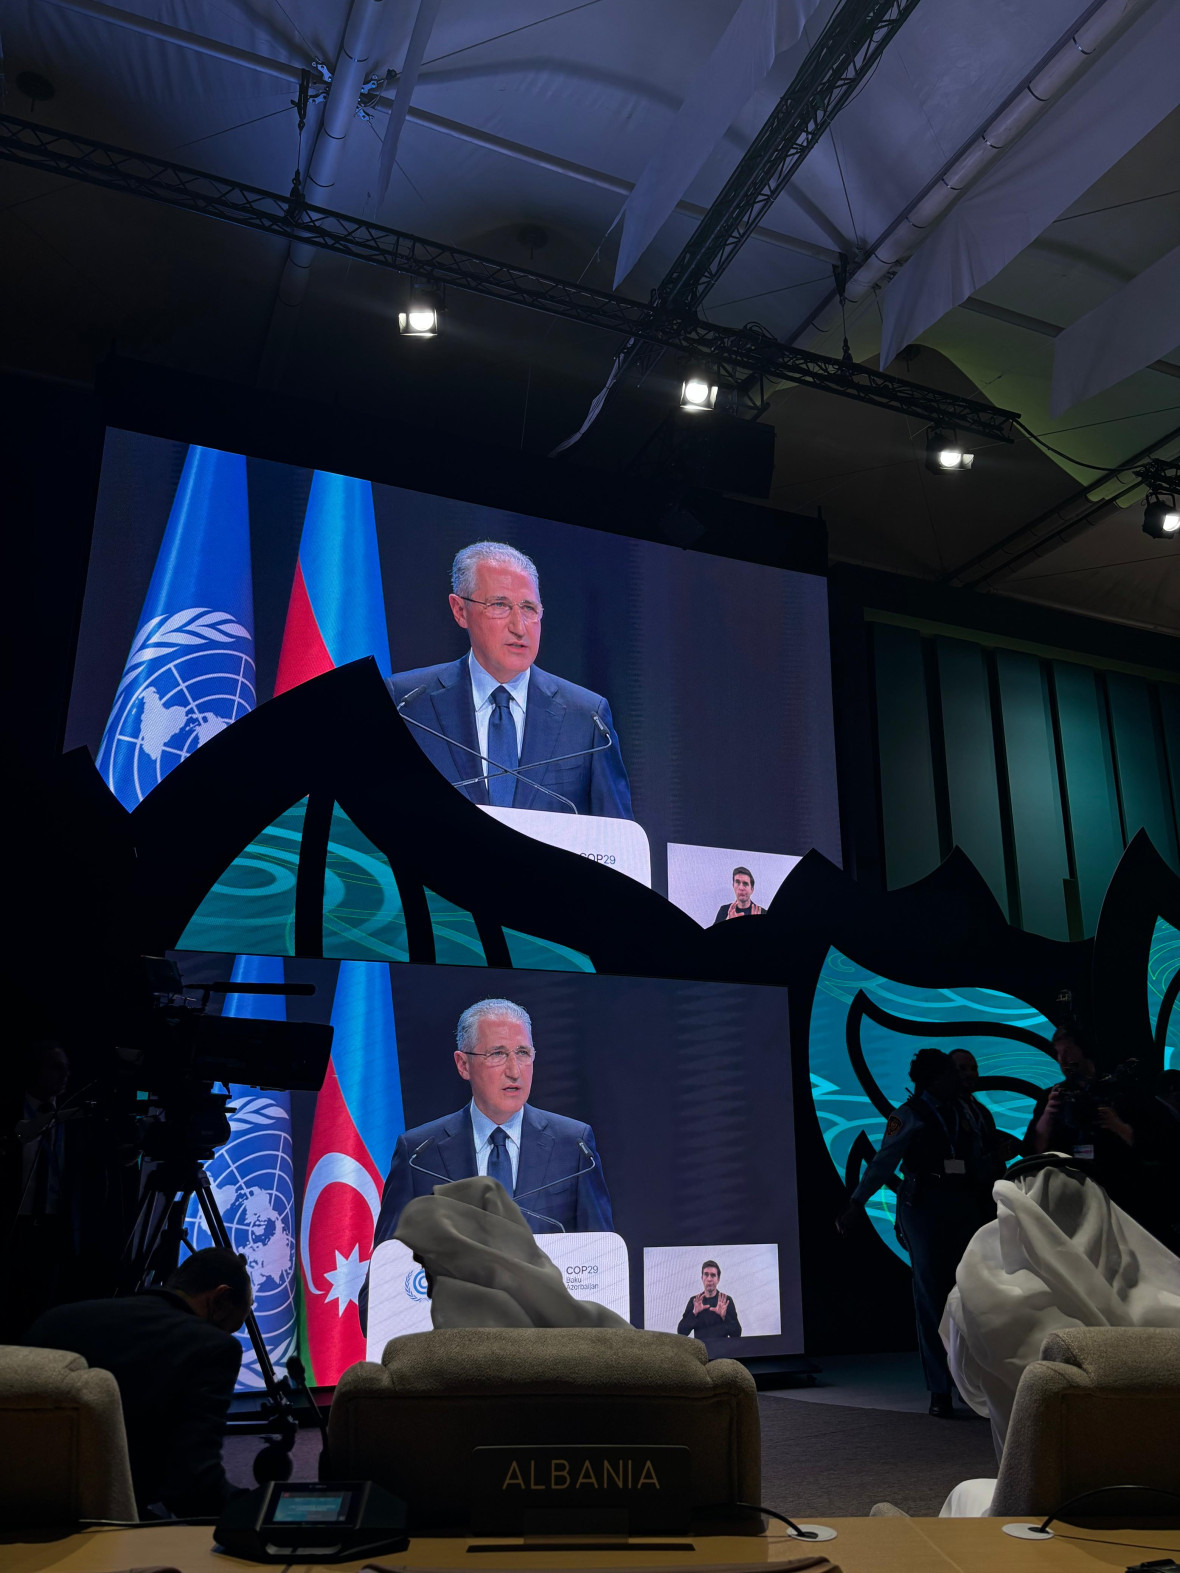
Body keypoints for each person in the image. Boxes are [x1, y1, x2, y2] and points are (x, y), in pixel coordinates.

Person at [361, 998, 613, 1330]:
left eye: (523, 1053)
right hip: (455, 1358)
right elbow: (381, 1286)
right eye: (497, 1054)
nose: (514, 1070)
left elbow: (606, 1269)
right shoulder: (419, 1153)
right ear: (463, 1064)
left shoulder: (574, 1144)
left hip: (551, 1358)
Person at [388, 541, 633, 818]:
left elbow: (618, 839)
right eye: (500, 605)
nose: (519, 627)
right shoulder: (406, 704)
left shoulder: (587, 718)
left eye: (528, 608)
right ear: (459, 610)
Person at [837, 1047, 1004, 1418]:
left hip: (963, 1205)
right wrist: (855, 1204)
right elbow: (883, 1164)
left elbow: (981, 1158)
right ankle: (939, 1389)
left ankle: (969, 1384)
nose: (956, 1079)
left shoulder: (967, 1111)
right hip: (923, 1208)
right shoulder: (907, 1116)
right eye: (948, 1073)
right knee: (931, 1297)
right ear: (932, 1079)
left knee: (972, 1294)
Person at [24, 1247, 252, 1518]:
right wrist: (259, 1508)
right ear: (220, 1299)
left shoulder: (55, 1320)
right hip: (110, 1533)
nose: (228, 1333)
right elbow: (193, 1490)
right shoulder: (212, 1348)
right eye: (234, 1324)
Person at [1022, 1021, 1146, 1218]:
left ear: (1085, 1050)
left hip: (1119, 1191)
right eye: (1058, 1053)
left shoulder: (1119, 1091)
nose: (1063, 1059)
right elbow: (1033, 1150)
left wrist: (1117, 1125)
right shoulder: (1052, 1096)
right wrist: (1048, 1115)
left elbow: (1150, 1145)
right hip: (1069, 1193)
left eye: (1069, 1051)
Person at [676, 1259, 741, 1341]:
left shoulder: (726, 1301)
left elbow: (737, 1335)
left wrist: (724, 1317)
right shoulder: (695, 1301)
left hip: (723, 1351)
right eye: (706, 1275)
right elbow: (681, 1332)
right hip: (701, 1352)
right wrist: (694, 1313)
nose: (709, 1279)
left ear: (718, 1279)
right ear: (702, 1278)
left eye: (713, 1275)